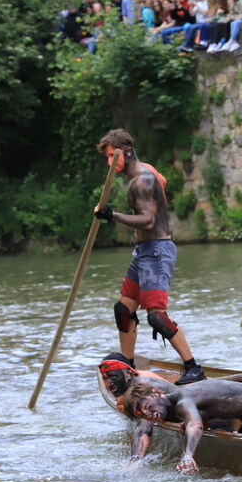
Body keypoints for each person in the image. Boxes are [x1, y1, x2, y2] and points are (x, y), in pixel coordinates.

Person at [94, 129, 204, 384]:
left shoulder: (142, 179)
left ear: (128, 151)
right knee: (123, 309)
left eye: (113, 156)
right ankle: (128, 365)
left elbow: (148, 219)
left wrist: (113, 216)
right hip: (143, 251)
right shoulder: (147, 172)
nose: (110, 163)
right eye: (108, 158)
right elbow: (162, 181)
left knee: (156, 316)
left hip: (156, 251)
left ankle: (193, 368)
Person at [123, 378, 242, 472]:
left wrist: (188, 455)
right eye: (143, 415)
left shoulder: (183, 400)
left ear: (156, 393)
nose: (149, 415)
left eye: (147, 407)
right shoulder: (175, 409)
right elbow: (206, 414)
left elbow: (195, 425)